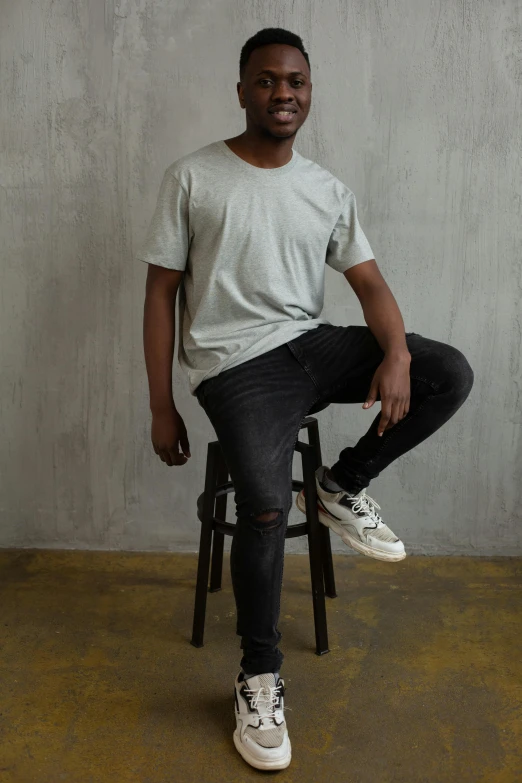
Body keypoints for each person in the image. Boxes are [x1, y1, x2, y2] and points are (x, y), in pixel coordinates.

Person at [139, 27, 473, 772]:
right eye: (266, 81)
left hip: (308, 347)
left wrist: (393, 355)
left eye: (295, 81)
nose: (282, 93)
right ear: (242, 90)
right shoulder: (193, 177)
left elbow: (371, 286)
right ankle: (259, 673)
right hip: (234, 367)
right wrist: (161, 402)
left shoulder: (325, 189)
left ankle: (339, 484)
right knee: (261, 504)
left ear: (308, 91)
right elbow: (160, 293)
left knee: (445, 370)